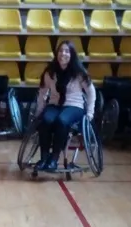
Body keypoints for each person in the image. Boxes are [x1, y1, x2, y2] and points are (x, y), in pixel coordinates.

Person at [33, 40, 96, 172]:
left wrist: (90, 112)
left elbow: (91, 92)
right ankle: (44, 157)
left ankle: (54, 159)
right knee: (45, 120)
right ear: (57, 54)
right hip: (55, 104)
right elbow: (42, 92)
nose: (63, 54)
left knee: (62, 120)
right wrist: (39, 110)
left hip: (74, 106)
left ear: (72, 55)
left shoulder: (79, 72)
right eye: (61, 51)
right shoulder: (50, 72)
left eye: (67, 51)